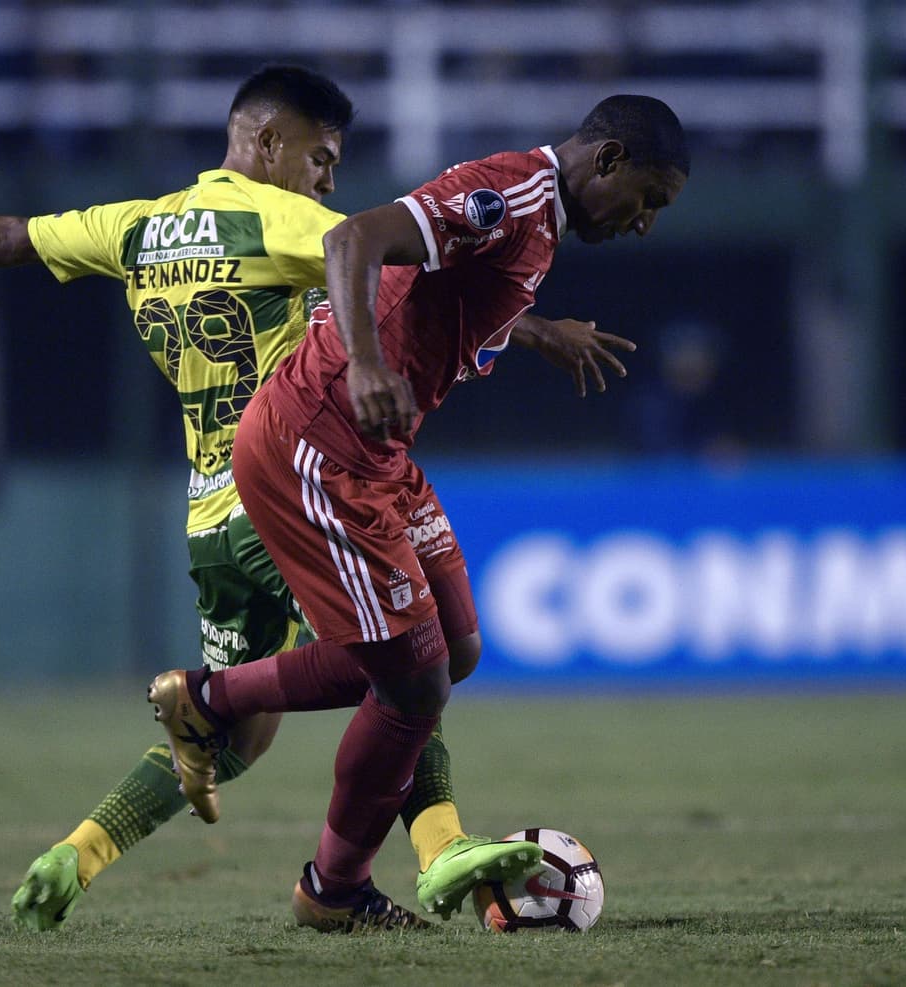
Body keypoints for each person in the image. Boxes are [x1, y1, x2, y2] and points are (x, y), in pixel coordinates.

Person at [0, 65, 626, 932]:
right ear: (267, 141)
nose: (328, 179)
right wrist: (529, 330)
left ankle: (76, 852)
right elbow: (400, 271)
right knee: (404, 662)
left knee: (248, 737)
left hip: (211, 517)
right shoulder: (284, 218)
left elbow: (12, 237)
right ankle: (425, 850)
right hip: (301, 482)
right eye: (321, 156)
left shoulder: (142, 226)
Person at [148, 93, 690, 932]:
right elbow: (353, 238)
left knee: (455, 648)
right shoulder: (507, 193)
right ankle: (333, 887)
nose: (645, 222)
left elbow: (436, 292)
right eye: (649, 198)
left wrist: (539, 334)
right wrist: (365, 363)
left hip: (379, 455)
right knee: (414, 681)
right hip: (320, 437)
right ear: (609, 160)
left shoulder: (536, 220)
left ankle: (213, 696)